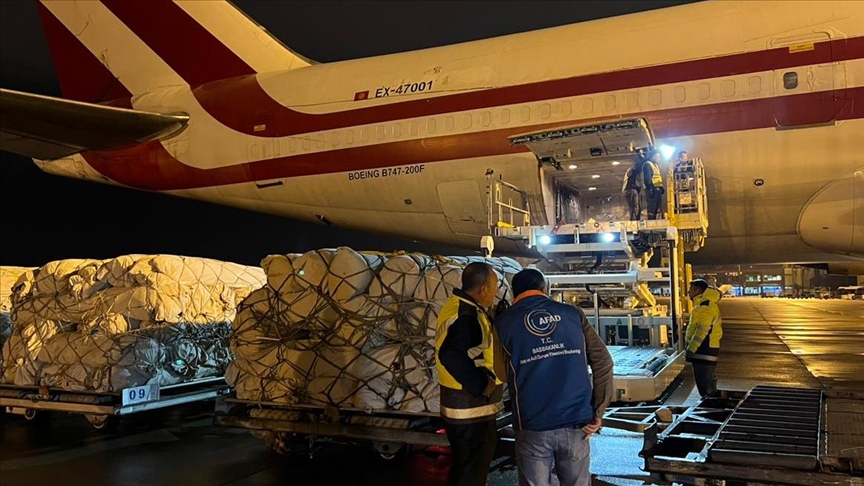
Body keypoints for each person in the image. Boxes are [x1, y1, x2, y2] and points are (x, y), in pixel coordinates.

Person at [495, 268, 614, 486]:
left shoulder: (503, 322)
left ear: (513, 293)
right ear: (544, 289)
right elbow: (604, 362)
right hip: (577, 421)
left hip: (532, 423)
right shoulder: (573, 314)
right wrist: (598, 410)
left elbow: (501, 373)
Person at [435, 262, 506, 486]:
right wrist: (482, 386)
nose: (495, 293)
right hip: (471, 411)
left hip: (458, 407)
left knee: (463, 470)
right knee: (471, 475)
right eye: (494, 287)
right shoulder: (469, 315)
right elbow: (451, 354)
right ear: (483, 289)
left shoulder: (456, 306)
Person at [684, 279, 723, 398]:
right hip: (705, 348)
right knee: (706, 382)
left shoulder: (704, 306)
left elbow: (702, 330)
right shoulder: (703, 304)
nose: (688, 292)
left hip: (704, 349)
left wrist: (691, 349)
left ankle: (711, 406)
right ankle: (711, 402)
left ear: (698, 290)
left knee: (705, 384)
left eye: (691, 289)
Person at [642, 150, 665, 220]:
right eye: (658, 157)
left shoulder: (656, 165)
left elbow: (657, 178)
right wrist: (650, 189)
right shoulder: (648, 164)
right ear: (653, 156)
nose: (659, 158)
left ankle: (655, 220)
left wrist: (661, 187)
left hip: (657, 189)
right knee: (652, 207)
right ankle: (651, 221)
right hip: (652, 189)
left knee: (657, 208)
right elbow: (647, 178)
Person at [622, 155, 644, 221]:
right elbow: (636, 170)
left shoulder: (633, 170)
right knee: (635, 207)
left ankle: (635, 221)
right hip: (631, 190)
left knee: (637, 207)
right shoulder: (633, 170)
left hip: (632, 190)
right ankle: (634, 222)